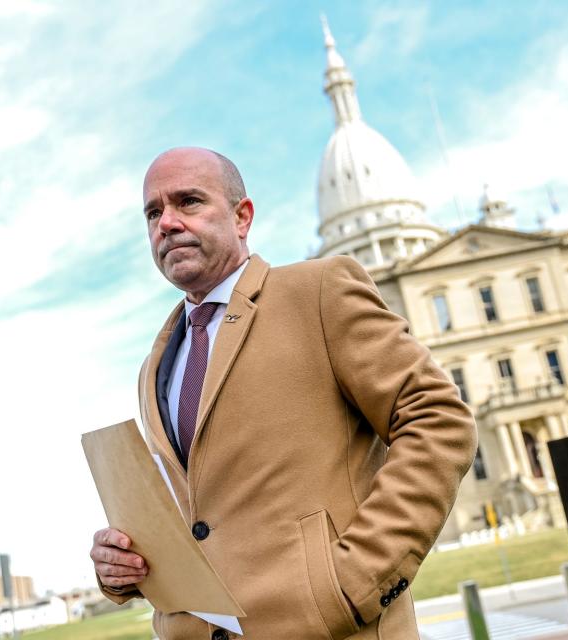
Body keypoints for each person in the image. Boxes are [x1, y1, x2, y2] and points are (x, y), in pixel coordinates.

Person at [89, 147, 477, 640]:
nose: (166, 223)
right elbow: (195, 513)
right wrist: (120, 566)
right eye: (152, 212)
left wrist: (356, 581)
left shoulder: (317, 291)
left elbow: (438, 418)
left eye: (188, 202)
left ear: (242, 216)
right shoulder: (154, 367)